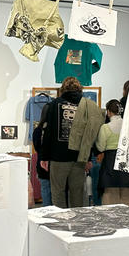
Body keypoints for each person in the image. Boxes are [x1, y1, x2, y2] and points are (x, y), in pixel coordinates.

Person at [40, 77, 86, 208]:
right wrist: (88, 157)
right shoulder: (85, 105)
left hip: (58, 157)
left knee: (58, 193)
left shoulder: (55, 104)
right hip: (79, 157)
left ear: (63, 89)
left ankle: (60, 224)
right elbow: (89, 133)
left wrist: (44, 156)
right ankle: (77, 224)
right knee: (77, 194)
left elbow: (48, 132)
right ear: (79, 89)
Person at [95, 99, 129, 207]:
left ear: (109, 112)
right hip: (127, 163)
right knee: (128, 197)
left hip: (110, 163)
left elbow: (100, 147)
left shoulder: (105, 128)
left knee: (110, 197)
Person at [31, 102, 52, 206]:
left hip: (41, 163)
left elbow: (36, 148)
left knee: (45, 192)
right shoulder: (54, 130)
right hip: (55, 164)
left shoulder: (37, 130)